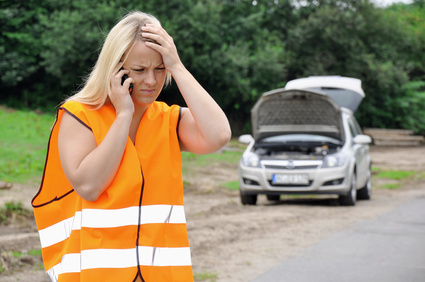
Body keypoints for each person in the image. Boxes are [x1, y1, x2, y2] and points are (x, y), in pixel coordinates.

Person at [32, 11, 231, 282]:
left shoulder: (167, 119)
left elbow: (219, 135)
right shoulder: (79, 115)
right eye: (139, 70)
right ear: (115, 69)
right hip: (98, 275)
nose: (151, 81)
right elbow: (89, 186)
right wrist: (123, 115)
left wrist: (178, 66)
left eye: (160, 69)